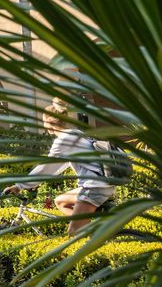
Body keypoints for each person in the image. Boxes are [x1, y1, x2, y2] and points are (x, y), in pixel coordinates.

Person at [30, 100, 119, 234]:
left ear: (49, 121)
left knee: (73, 232)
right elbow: (60, 165)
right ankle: (90, 229)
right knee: (60, 201)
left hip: (94, 187)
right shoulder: (75, 133)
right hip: (102, 183)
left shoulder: (63, 140)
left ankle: (87, 234)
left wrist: (20, 186)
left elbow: (47, 166)